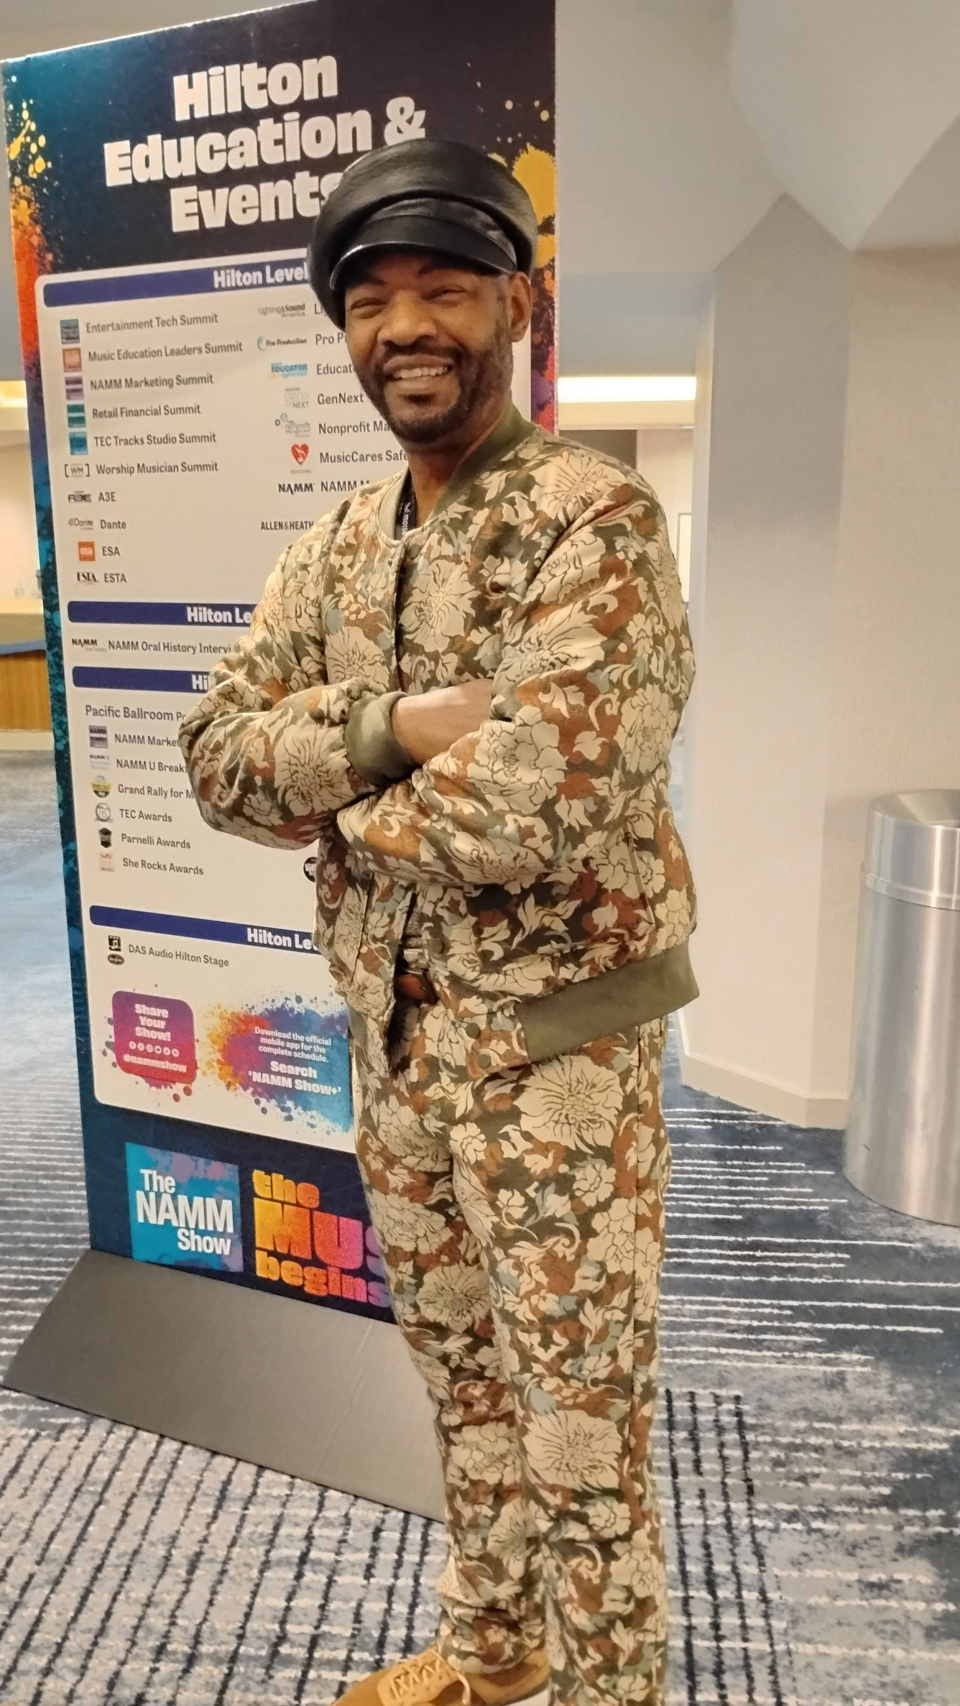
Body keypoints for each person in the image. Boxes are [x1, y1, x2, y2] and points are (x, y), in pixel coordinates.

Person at [180, 137, 696, 1706]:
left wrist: (326, 786)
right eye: (374, 297)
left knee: (580, 1429)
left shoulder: (591, 525)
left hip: (558, 1065)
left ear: (519, 302)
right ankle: (495, 1653)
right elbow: (215, 758)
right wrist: (404, 727)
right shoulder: (340, 543)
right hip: (399, 1054)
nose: (408, 324)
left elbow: (541, 804)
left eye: (446, 288)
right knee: (465, 1386)